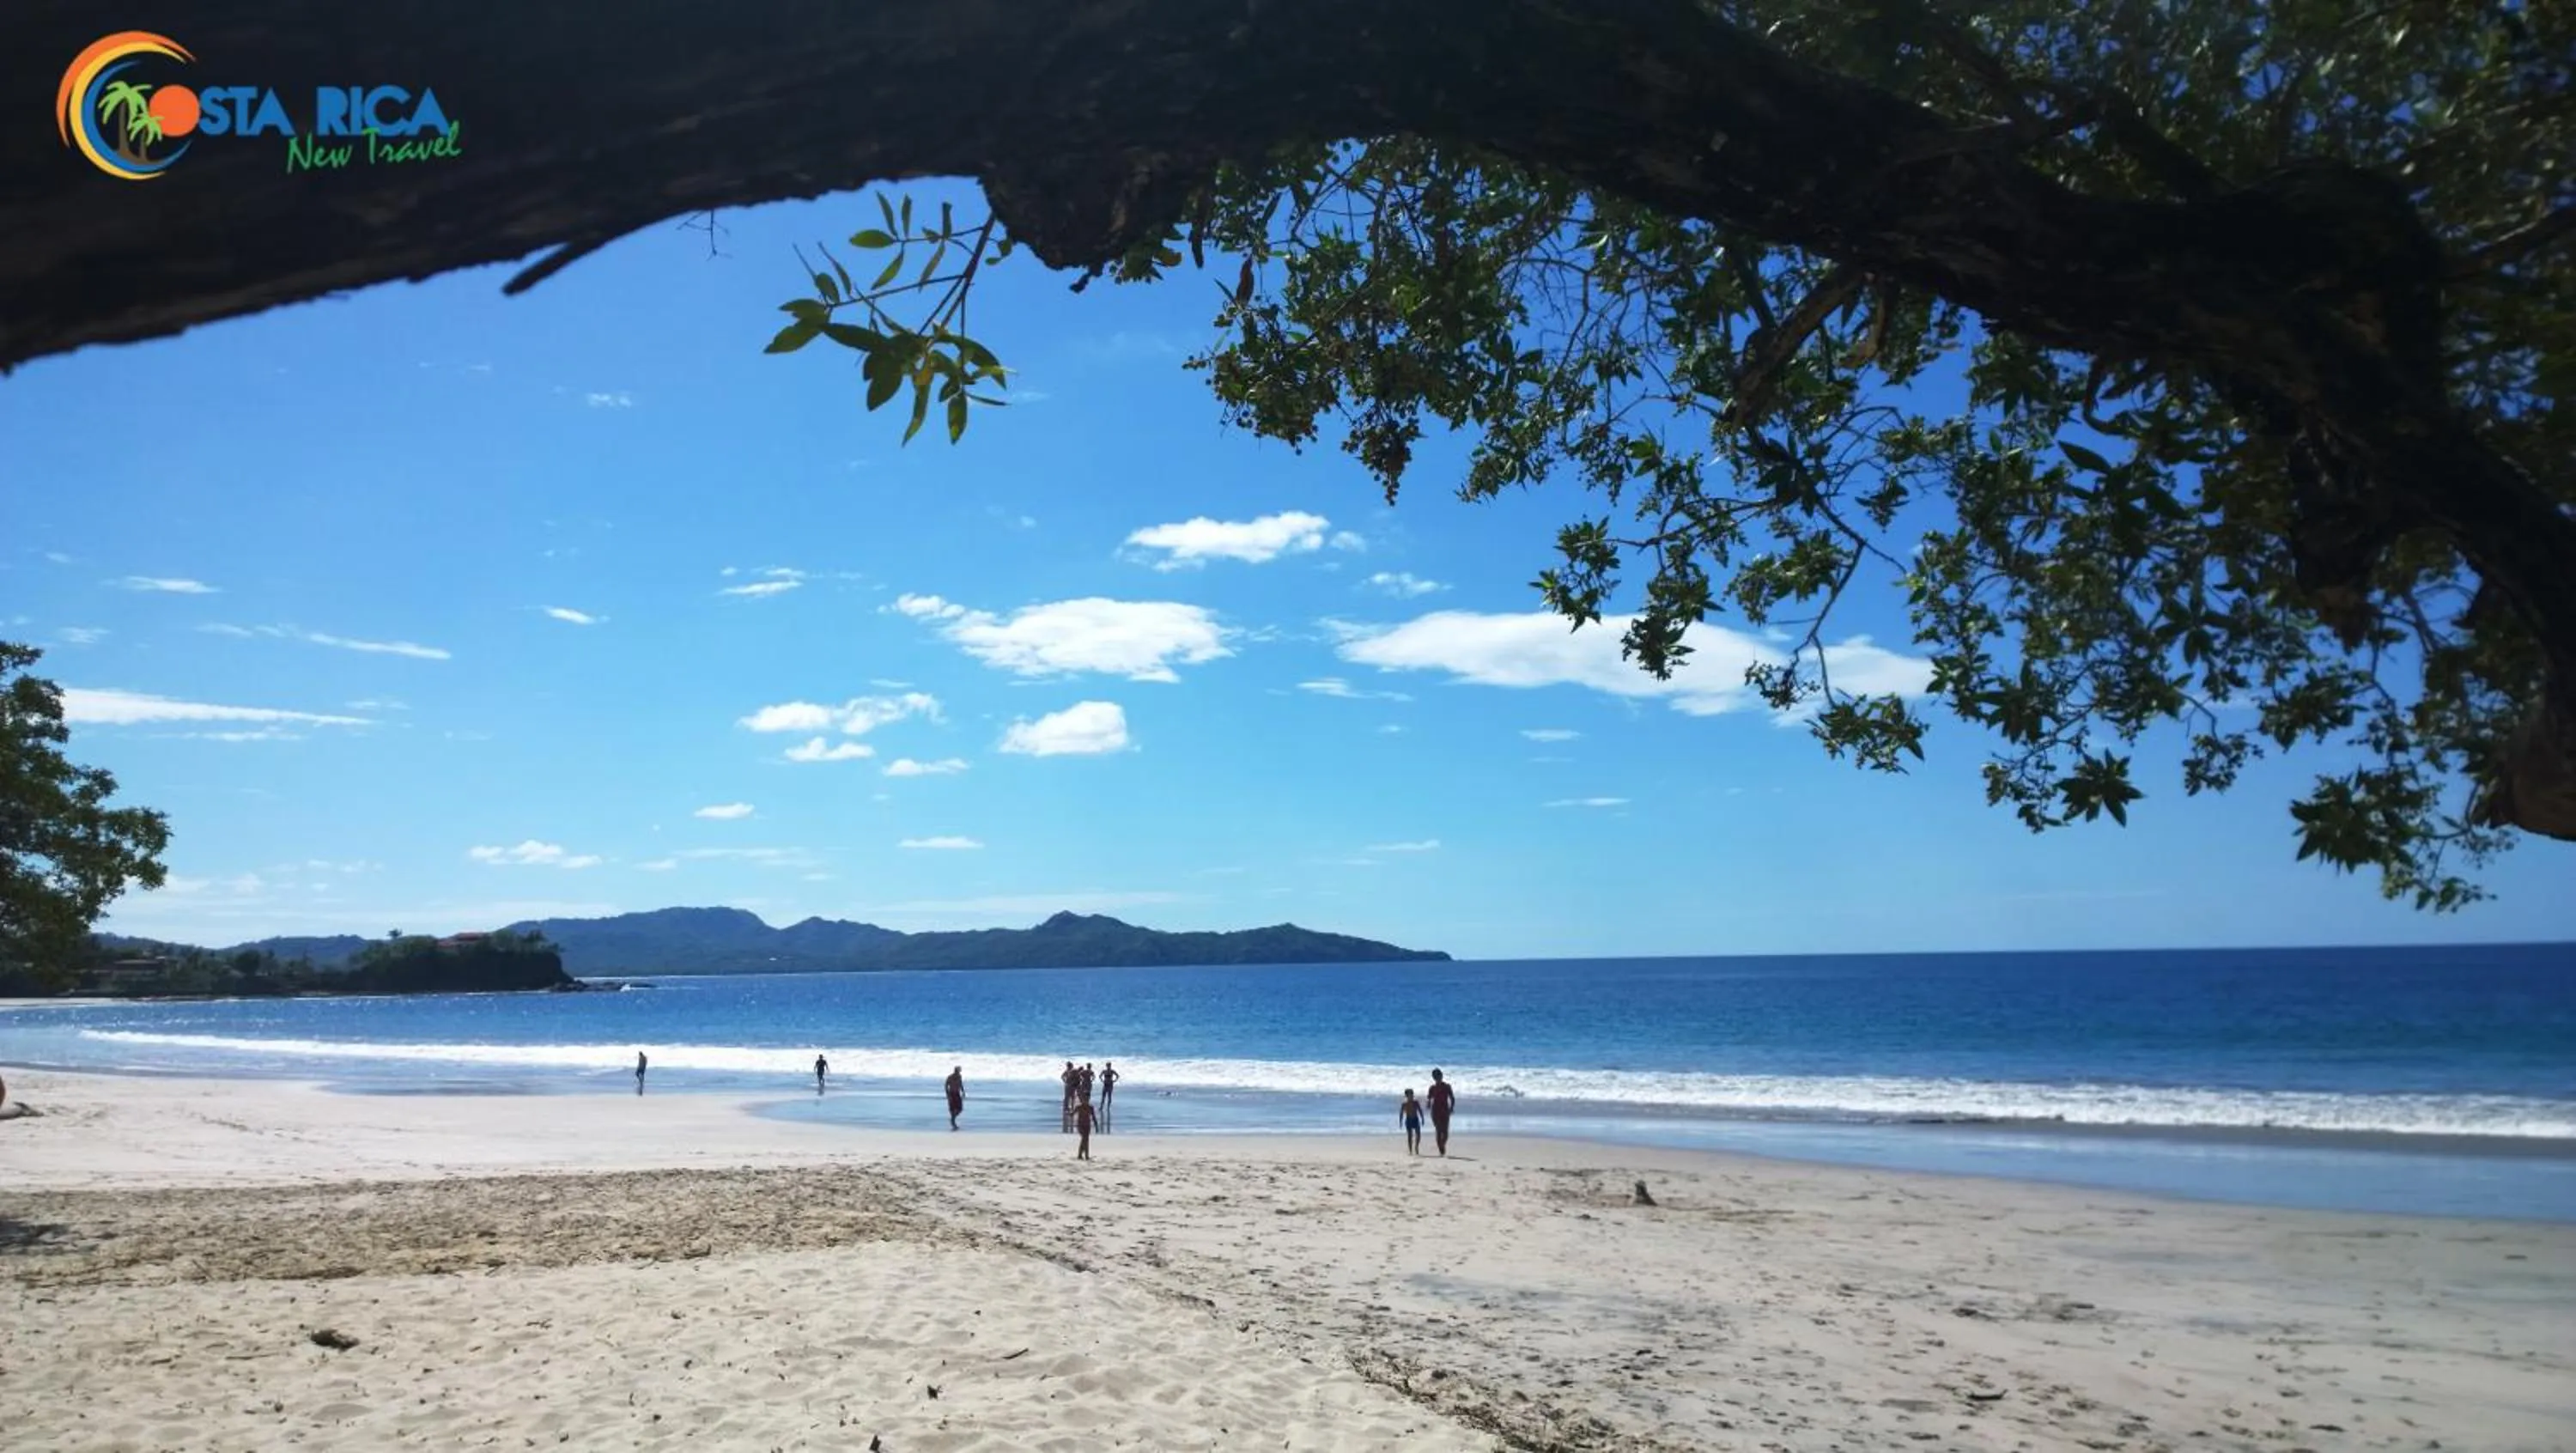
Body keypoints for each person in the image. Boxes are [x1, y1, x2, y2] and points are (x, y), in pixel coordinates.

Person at [1426, 1068, 1457, 1156]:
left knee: (1446, 1133)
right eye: (1436, 1077)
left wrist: (1451, 1108)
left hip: (1445, 1111)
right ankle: (1441, 1149)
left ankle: (1442, 1145)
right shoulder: (1432, 1088)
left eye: (1439, 1077)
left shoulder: (1447, 1087)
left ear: (1442, 1076)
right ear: (1434, 1078)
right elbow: (1429, 1098)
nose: (1438, 1079)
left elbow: (1452, 1098)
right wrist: (1428, 1104)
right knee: (1439, 1130)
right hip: (1435, 1111)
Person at [1400, 1088, 1424, 1156]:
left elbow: (1420, 1110)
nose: (1411, 1096)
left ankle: (1416, 1146)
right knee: (1410, 1136)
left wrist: (1422, 1118)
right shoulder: (1404, 1104)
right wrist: (1400, 1122)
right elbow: (1401, 1113)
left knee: (1418, 1135)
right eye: (1409, 1095)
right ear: (1406, 1096)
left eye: (1412, 1094)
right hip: (1408, 1120)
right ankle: (1410, 1150)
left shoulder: (1416, 1102)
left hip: (1415, 1119)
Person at [1073, 1093, 1096, 1161]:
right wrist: (1068, 1113)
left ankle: (1083, 1155)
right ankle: (1083, 1155)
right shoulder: (1078, 1107)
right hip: (1080, 1125)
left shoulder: (1091, 1108)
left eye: (1087, 1099)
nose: (1085, 1100)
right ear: (1082, 1099)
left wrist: (1096, 1125)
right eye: (1084, 1099)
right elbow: (1072, 1114)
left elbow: (1093, 1117)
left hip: (1087, 1125)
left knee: (1086, 1140)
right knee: (1084, 1139)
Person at [1098, 1061, 1119, 1127]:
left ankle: (1108, 1107)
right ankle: (1101, 1107)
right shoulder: (1104, 1071)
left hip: (1110, 1084)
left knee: (1109, 1096)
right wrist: (1102, 1080)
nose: (1108, 1066)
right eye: (1108, 1065)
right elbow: (1100, 1076)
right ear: (1106, 1066)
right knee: (1103, 1096)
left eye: (1109, 1065)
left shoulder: (1112, 1071)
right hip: (1105, 1084)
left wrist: (1114, 1081)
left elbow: (1117, 1076)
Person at [945, 1066, 966, 1130]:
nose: (959, 1072)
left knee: (960, 1108)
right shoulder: (950, 1077)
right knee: (952, 1109)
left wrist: (963, 1091)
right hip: (952, 1094)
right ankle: (953, 1123)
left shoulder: (959, 1076)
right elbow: (946, 1085)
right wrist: (948, 1094)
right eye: (958, 1070)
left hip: (957, 1094)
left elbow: (960, 1084)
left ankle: (953, 1119)